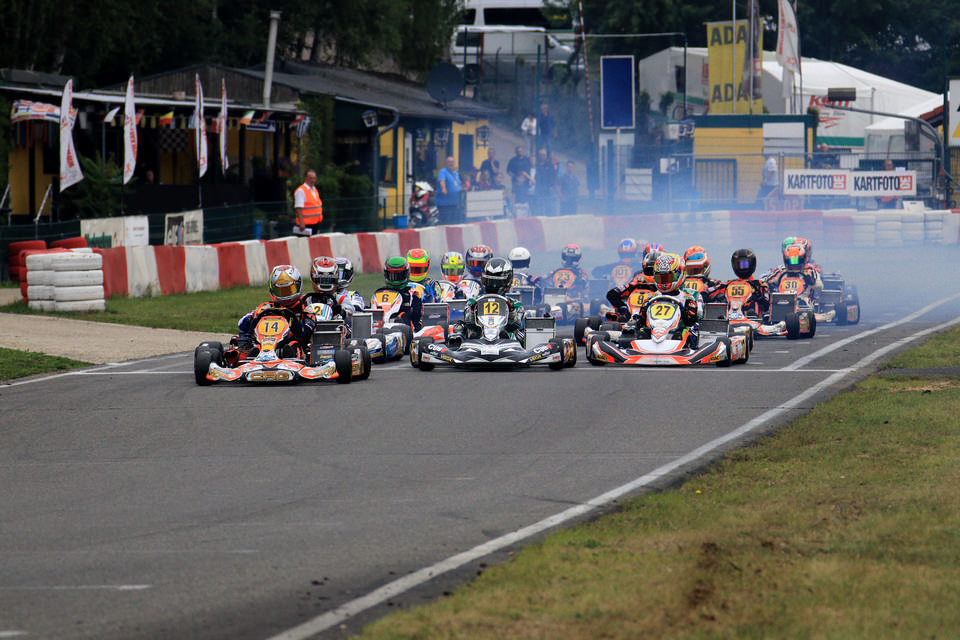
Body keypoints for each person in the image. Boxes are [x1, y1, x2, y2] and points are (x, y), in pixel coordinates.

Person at [231, 264, 316, 362]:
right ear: (272, 290)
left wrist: (296, 324)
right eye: (281, 291)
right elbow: (241, 324)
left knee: (293, 345)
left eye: (289, 290)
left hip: (292, 344)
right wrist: (253, 319)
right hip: (265, 344)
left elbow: (306, 333)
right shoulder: (266, 307)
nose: (285, 295)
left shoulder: (306, 309)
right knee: (256, 347)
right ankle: (252, 358)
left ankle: (291, 358)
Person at [626, 253, 702, 347]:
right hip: (653, 332)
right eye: (661, 278)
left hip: (677, 334)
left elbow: (692, 321)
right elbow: (641, 320)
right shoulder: (651, 297)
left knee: (681, 334)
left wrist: (685, 311)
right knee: (642, 333)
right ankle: (640, 348)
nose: (665, 282)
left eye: (669, 278)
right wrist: (641, 314)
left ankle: (682, 349)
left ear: (680, 275)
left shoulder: (688, 297)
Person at [450, 257, 524, 343]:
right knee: (460, 326)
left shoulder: (514, 304)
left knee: (519, 332)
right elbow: (469, 323)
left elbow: (515, 325)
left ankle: (505, 336)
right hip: (478, 340)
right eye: (490, 281)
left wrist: (511, 312)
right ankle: (459, 343)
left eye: (497, 283)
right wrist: (473, 313)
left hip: (507, 342)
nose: (493, 286)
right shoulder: (473, 302)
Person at [369, 257, 423, 331]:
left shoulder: (412, 295)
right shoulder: (378, 293)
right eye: (392, 275)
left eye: (399, 275)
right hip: (378, 330)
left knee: (403, 315)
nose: (395, 279)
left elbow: (417, 320)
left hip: (405, 333)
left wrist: (409, 311)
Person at [714, 248, 770, 319]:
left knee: (754, 306)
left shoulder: (759, 285)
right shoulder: (728, 284)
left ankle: (751, 316)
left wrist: (759, 297)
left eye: (745, 264)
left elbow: (768, 304)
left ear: (752, 264)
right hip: (729, 318)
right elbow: (710, 292)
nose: (742, 268)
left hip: (753, 320)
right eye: (739, 264)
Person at [294, 169, 323, 235]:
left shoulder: (314, 190)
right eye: (310, 178)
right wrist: (301, 223)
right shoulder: (301, 191)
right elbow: (298, 208)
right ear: (305, 178)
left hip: (315, 223)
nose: (313, 180)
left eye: (314, 178)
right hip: (306, 225)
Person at [506, 146, 533, 215]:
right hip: (516, 182)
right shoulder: (512, 160)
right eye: (518, 151)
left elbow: (529, 169)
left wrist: (527, 177)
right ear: (516, 152)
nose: (519, 153)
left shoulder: (526, 160)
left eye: (521, 151)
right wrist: (515, 177)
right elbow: (508, 171)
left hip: (525, 181)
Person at [436, 156, 462, 224]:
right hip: (445, 204)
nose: (451, 164)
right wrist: (443, 188)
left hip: (454, 203)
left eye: (452, 162)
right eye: (449, 162)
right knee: (446, 222)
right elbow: (442, 180)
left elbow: (458, 184)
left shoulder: (456, 173)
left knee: (454, 222)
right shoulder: (443, 172)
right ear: (446, 163)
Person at [534, 148, 558, 217]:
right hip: (540, 189)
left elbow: (553, 176)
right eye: (541, 155)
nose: (542, 156)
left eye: (544, 155)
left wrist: (551, 186)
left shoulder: (549, 165)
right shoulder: (537, 164)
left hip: (549, 189)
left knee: (549, 206)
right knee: (540, 207)